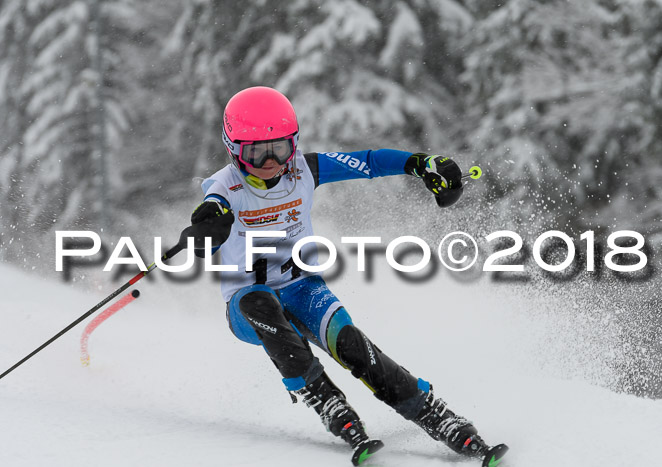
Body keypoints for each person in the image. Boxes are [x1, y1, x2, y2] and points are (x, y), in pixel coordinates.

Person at [189, 86, 507, 466]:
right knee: (262, 302)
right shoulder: (224, 187)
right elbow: (208, 218)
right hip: (247, 308)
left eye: (281, 148)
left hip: (302, 289)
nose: (271, 161)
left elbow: (369, 161)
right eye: (256, 152)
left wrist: (421, 163)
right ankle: (328, 403)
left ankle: (438, 417)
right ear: (233, 148)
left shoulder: (305, 170)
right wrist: (206, 231)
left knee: (351, 343)